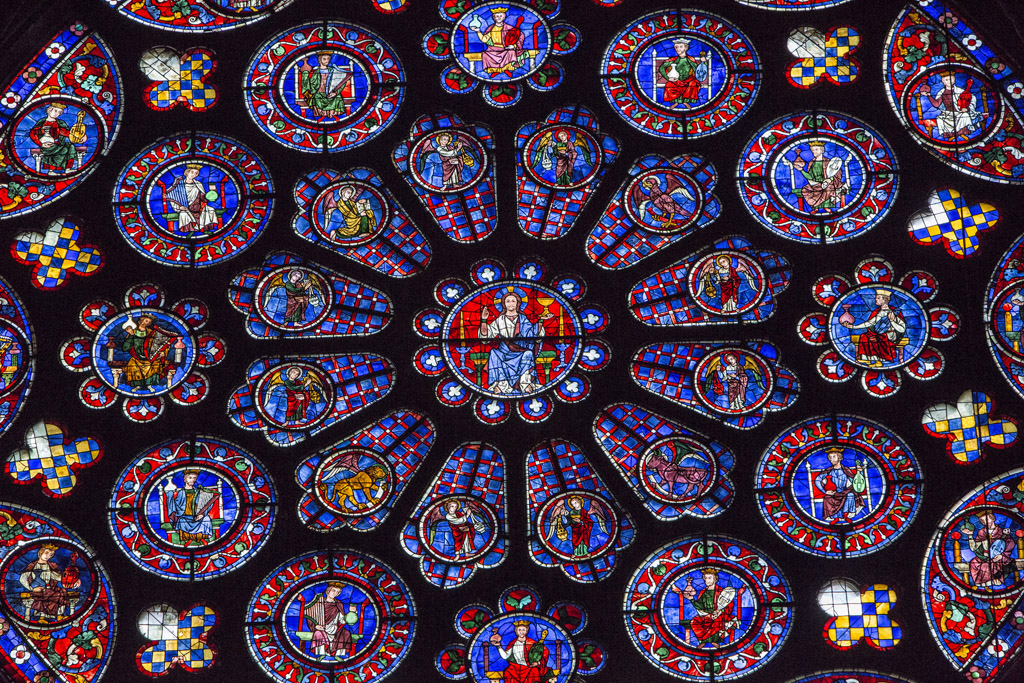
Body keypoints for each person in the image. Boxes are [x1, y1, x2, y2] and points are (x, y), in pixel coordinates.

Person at [478, 290, 552, 394]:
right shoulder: (500, 320)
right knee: (494, 353)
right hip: (504, 351)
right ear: (504, 304)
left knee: (528, 353)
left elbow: (531, 334)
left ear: (518, 303)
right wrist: (484, 320)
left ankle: (524, 383)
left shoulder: (523, 319)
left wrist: (540, 321)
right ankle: (502, 384)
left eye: (513, 301)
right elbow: (486, 336)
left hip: (520, 351)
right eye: (508, 301)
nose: (511, 303)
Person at [839, 289, 907, 367]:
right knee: (864, 336)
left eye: (878, 298)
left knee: (875, 338)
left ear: (885, 300)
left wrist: (892, 321)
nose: (876, 299)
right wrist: (853, 327)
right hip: (880, 334)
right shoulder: (878, 312)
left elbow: (902, 329)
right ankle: (869, 359)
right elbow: (869, 323)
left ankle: (880, 360)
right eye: (876, 298)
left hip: (890, 335)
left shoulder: (894, 312)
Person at [674, 567, 739, 646]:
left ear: (715, 579)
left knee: (716, 621)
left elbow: (729, 605)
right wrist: (691, 599)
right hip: (706, 615)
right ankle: (704, 641)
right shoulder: (703, 592)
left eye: (709, 578)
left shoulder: (722, 592)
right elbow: (700, 606)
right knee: (694, 621)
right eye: (705, 578)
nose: (707, 580)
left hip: (719, 615)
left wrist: (720, 611)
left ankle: (710, 641)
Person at [18, 544, 78, 621]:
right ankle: (43, 617)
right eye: (46, 553)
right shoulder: (32, 566)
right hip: (37, 590)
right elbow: (22, 579)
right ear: (40, 553)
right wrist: (32, 589)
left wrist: (73, 579)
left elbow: (58, 577)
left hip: (48, 589)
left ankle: (59, 615)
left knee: (62, 592)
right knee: (55, 595)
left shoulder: (50, 566)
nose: (48, 556)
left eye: (50, 555)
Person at [120, 314, 179, 389]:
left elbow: (161, 345)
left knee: (156, 365)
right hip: (137, 358)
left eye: (148, 322)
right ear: (139, 321)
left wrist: (163, 352)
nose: (145, 323)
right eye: (144, 320)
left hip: (150, 359)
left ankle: (150, 385)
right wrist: (131, 335)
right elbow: (125, 347)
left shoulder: (152, 333)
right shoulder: (132, 332)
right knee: (133, 365)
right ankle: (137, 385)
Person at [966, 511, 1023, 588]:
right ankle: (982, 584)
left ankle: (989, 583)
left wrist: (1001, 556)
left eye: (986, 519)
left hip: (998, 557)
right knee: (974, 562)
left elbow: (1010, 544)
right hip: (984, 557)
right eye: (982, 521)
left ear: (993, 518)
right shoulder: (982, 532)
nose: (985, 522)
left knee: (987, 565)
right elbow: (974, 548)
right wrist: (970, 535)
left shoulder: (1001, 531)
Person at [302, 582, 357, 660]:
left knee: (346, 633)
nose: (336, 593)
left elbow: (342, 619)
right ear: (328, 591)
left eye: (338, 592)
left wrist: (352, 613)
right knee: (318, 634)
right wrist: (315, 626)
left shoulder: (339, 604)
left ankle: (338, 655)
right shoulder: (319, 602)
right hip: (322, 628)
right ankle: (321, 654)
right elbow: (310, 617)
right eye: (334, 591)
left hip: (335, 628)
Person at [924, 71, 982, 141]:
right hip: (948, 114)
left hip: (959, 113)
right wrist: (929, 96)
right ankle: (951, 134)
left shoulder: (960, 91)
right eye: (946, 80)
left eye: (950, 79)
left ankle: (960, 133)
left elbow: (971, 99)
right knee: (939, 119)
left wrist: (967, 108)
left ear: (954, 80)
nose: (949, 81)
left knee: (965, 115)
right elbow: (936, 104)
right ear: (943, 82)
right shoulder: (942, 93)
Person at [472, 7, 529, 77]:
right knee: (485, 54)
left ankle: (506, 69)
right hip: (493, 49)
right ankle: (495, 70)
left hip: (505, 48)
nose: (499, 17)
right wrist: (478, 31)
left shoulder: (509, 28)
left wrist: (514, 46)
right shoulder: (491, 29)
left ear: (504, 17)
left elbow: (519, 36)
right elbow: (484, 39)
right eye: (497, 16)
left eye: (501, 16)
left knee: (511, 52)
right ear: (494, 18)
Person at [814, 448, 867, 522]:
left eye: (834, 457)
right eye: (830, 457)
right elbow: (817, 480)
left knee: (850, 495)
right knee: (827, 498)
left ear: (839, 457)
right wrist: (825, 491)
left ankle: (846, 515)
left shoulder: (845, 470)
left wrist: (859, 472)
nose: (831, 459)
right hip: (834, 493)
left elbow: (856, 481)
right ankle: (836, 518)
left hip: (844, 491)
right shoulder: (828, 471)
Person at [164, 469, 216, 545]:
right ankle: (190, 539)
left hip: (197, 515)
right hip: (185, 516)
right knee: (182, 521)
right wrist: (170, 495)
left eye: (194, 478)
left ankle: (200, 538)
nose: (193, 480)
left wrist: (202, 514)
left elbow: (206, 503)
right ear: (185, 479)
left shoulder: (198, 491)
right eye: (190, 478)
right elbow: (177, 505)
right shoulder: (181, 492)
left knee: (206, 519)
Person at [792, 142, 848, 211]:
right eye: (812, 150)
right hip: (815, 185)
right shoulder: (811, 163)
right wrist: (801, 170)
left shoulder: (828, 161)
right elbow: (810, 177)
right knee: (805, 190)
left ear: (822, 150)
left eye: (816, 149)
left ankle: (827, 208)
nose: (814, 152)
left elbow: (836, 172)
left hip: (827, 184)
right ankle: (816, 208)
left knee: (829, 188)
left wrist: (830, 179)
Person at [166, 164, 219, 233]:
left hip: (199, 208)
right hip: (186, 209)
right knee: (183, 214)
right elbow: (173, 197)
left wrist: (212, 193)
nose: (194, 174)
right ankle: (189, 232)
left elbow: (203, 198)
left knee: (211, 210)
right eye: (192, 172)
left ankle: (205, 231)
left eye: (196, 173)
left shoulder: (198, 184)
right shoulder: (179, 184)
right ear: (187, 172)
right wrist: (179, 207)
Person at [658, 37, 709, 107]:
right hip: (676, 81)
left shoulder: (690, 59)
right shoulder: (673, 60)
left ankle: (686, 101)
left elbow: (699, 70)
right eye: (676, 47)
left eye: (680, 47)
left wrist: (704, 62)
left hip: (689, 80)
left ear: (686, 48)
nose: (678, 49)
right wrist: (668, 78)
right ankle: (676, 101)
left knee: (693, 84)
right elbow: (661, 68)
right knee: (669, 85)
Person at [28, 103, 80, 172]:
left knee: (71, 147)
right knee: (64, 149)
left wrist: (78, 136)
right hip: (46, 145)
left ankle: (68, 169)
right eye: (55, 111)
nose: (57, 114)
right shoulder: (42, 122)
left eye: (59, 112)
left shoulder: (60, 123)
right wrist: (41, 144)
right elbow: (33, 134)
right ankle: (51, 171)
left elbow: (66, 133)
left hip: (58, 144)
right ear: (49, 110)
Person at [299, 52, 352, 118]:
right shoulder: (316, 72)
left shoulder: (332, 71)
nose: (327, 61)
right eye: (324, 59)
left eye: (328, 59)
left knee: (337, 98)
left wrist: (335, 92)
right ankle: (322, 113)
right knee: (316, 99)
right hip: (319, 94)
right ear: (319, 60)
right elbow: (312, 85)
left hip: (331, 94)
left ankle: (331, 113)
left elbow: (341, 83)